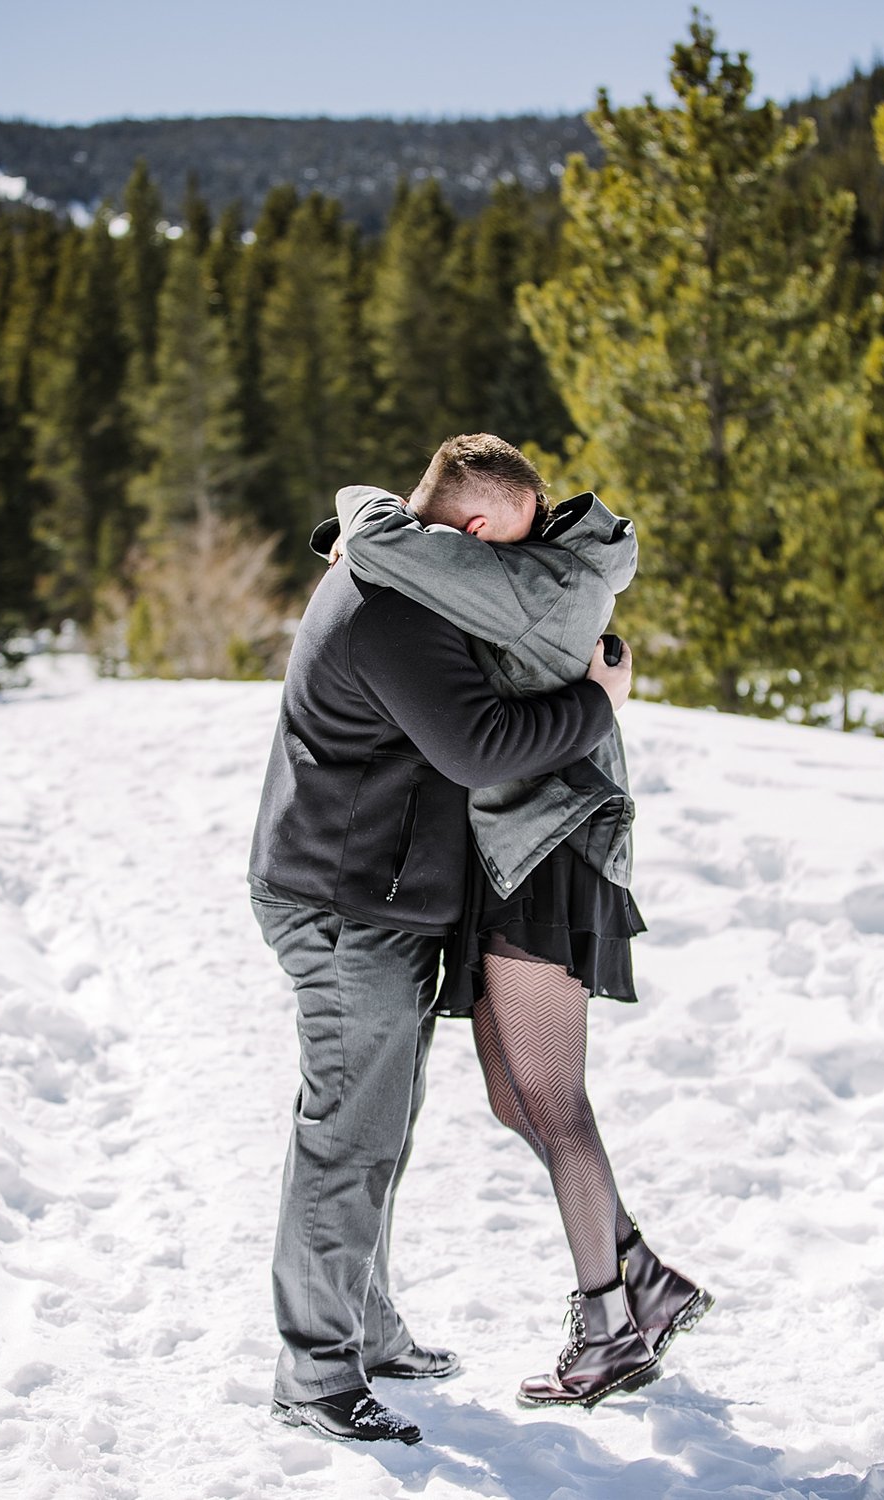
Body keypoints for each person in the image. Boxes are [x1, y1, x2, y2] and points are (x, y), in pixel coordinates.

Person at [247, 436, 631, 1445]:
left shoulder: (409, 573)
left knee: (379, 1125)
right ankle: (315, 1373)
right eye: (509, 542)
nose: (514, 566)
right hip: (343, 903)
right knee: (349, 1133)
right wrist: (597, 703)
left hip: (379, 896)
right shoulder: (398, 607)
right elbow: (477, 746)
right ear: (468, 528)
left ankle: (364, 1331)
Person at [330, 433, 714, 1411]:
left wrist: (359, 526)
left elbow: (382, 537)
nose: (504, 546)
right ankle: (645, 1276)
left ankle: (607, 1325)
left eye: (497, 535)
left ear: (474, 529)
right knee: (514, 1097)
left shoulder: (540, 580)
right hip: (517, 851)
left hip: (553, 850)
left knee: (553, 1099)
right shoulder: (526, 558)